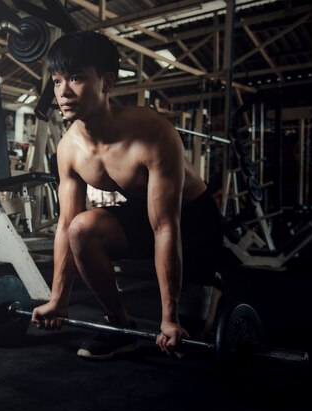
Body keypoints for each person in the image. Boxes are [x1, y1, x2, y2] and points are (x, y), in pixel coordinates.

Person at [31, 31, 225, 360]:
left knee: (192, 340)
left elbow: (167, 226)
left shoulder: (152, 133)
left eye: (76, 78)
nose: (63, 92)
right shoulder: (68, 149)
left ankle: (210, 287)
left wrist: (169, 318)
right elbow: (65, 225)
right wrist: (57, 300)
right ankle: (119, 327)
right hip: (141, 212)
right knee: (82, 229)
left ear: (106, 81)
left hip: (194, 220)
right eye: (57, 80)